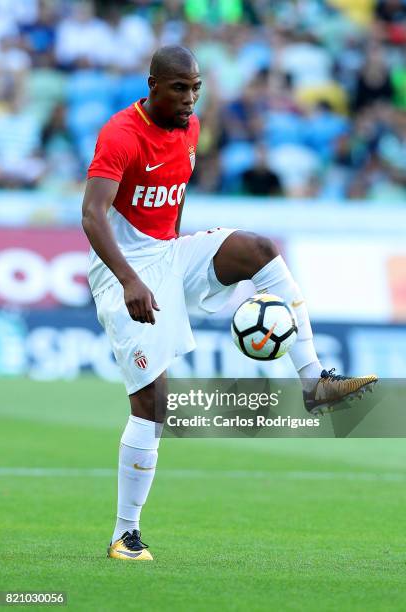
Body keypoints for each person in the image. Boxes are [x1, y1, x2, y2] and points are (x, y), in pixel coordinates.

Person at [81, 46, 377, 562]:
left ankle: (314, 382)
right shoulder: (121, 135)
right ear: (152, 85)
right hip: (123, 272)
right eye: (179, 88)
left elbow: (175, 194)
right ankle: (124, 534)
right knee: (153, 404)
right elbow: (91, 214)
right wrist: (130, 278)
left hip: (171, 254)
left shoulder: (190, 129)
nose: (190, 98)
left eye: (196, 87)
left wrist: (179, 256)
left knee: (260, 251)